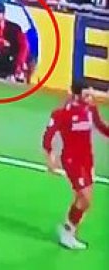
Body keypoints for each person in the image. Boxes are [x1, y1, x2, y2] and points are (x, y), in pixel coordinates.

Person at [43, 83, 109, 250]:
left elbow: (101, 126)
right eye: (86, 95)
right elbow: (48, 136)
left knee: (85, 202)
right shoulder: (62, 113)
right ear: (76, 95)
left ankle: (68, 230)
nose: (90, 98)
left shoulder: (90, 109)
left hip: (87, 159)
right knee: (84, 197)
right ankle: (67, 233)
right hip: (72, 160)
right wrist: (50, 159)